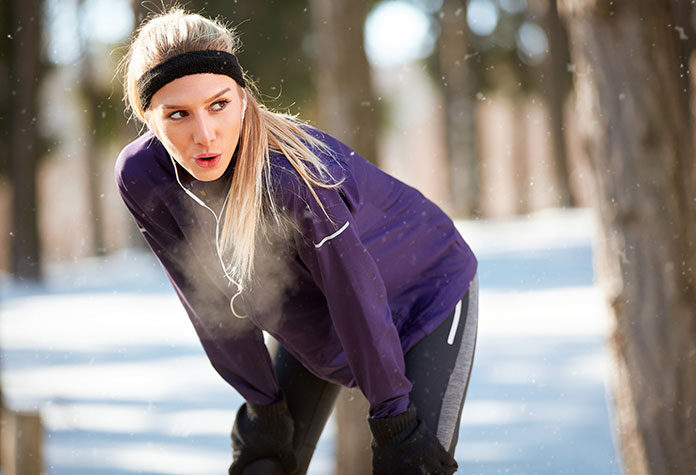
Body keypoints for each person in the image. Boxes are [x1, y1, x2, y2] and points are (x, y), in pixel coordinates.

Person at [115, 7, 478, 475]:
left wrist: (393, 417)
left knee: (411, 467)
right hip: (313, 315)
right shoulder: (143, 176)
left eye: (219, 104)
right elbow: (207, 303)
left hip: (425, 293)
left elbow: (356, 294)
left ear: (243, 99)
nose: (204, 135)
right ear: (148, 118)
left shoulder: (294, 180)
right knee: (265, 463)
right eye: (178, 114)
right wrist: (262, 404)